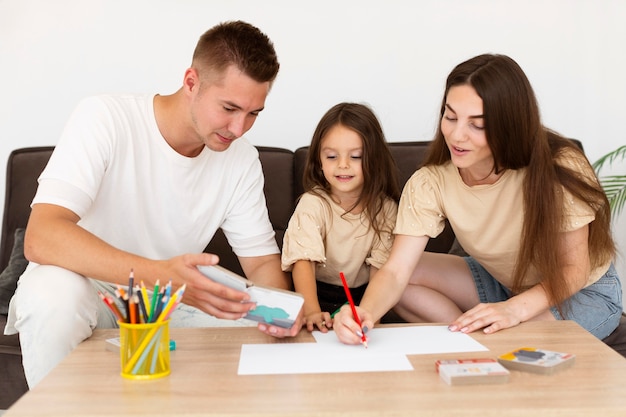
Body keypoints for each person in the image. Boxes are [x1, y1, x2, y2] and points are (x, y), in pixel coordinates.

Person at [4, 20, 302, 388]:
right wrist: (162, 275)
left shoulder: (240, 160)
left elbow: (261, 267)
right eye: (229, 108)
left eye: (254, 113)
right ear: (191, 82)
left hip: (167, 302)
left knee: (261, 332)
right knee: (52, 296)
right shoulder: (105, 118)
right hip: (85, 288)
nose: (239, 128)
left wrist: (281, 314)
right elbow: (42, 236)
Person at [334, 54, 622, 345]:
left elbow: (573, 270)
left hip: (580, 293)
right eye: (450, 116)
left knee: (516, 342)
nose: (457, 135)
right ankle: (463, 339)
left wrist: (513, 310)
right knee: (390, 270)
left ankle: (483, 337)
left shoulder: (559, 167)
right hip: (505, 284)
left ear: (509, 125)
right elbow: (397, 270)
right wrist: (363, 312)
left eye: (477, 124)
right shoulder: (431, 181)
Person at [281, 103, 400, 332]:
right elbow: (303, 262)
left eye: (355, 156)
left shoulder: (385, 210)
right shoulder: (313, 204)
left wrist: (371, 316)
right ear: (319, 160)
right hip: (315, 294)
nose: (343, 165)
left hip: (362, 299)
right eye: (332, 156)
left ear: (374, 159)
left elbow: (381, 275)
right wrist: (312, 311)